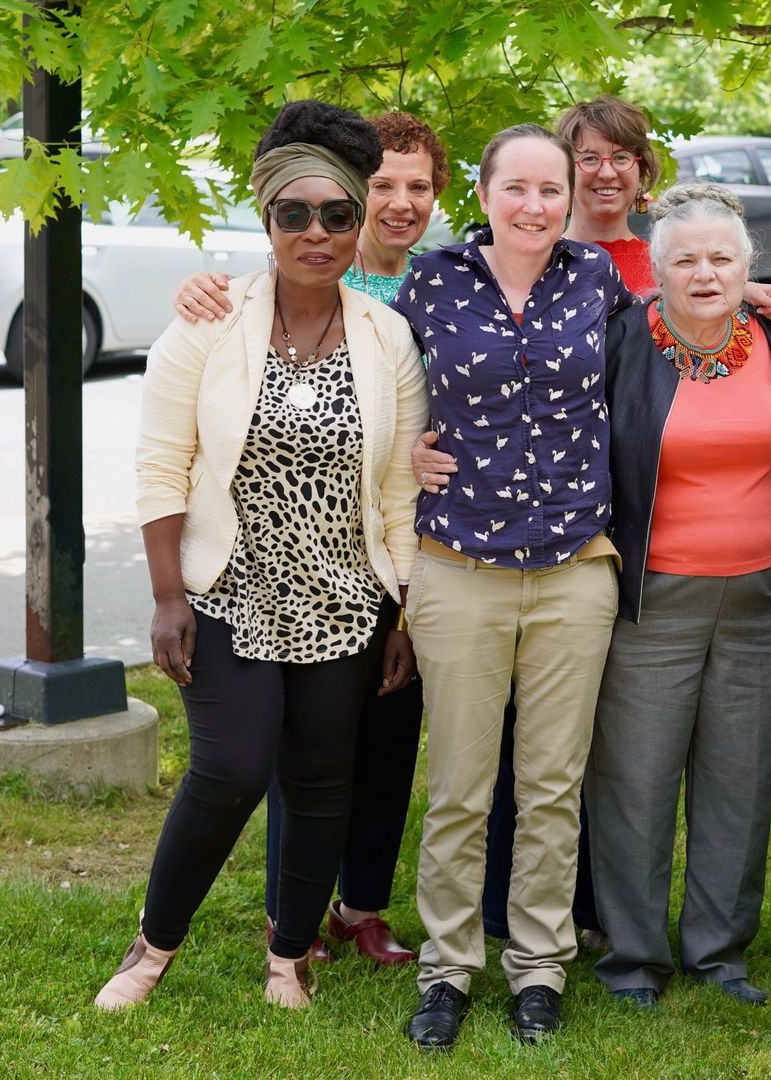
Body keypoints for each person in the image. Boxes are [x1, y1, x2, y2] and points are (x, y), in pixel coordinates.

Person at [97, 100, 427, 1010]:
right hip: (230, 594)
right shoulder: (208, 325)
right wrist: (169, 599)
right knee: (233, 767)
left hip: (345, 598)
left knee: (323, 779)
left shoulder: (386, 335)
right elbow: (162, 466)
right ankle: (152, 949)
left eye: (337, 215)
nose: (316, 234)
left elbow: (398, 488)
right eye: (295, 214)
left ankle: (288, 955)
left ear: (359, 224)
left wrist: (400, 610)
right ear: (267, 218)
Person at [171, 110, 449, 967]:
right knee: (277, 755)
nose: (398, 204)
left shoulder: (445, 287)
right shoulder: (259, 292)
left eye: (418, 187)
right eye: (385, 186)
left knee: (373, 747)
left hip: (376, 567)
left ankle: (351, 908)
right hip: (258, 578)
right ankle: (277, 916)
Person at [395, 123, 633, 1051]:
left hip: (577, 567)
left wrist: (761, 304)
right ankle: (448, 968)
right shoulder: (435, 281)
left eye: (551, 190)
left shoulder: (598, 279)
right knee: (459, 786)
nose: (535, 207)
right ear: (487, 195)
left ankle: (538, 966)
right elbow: (373, 379)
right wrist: (401, 450)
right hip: (461, 569)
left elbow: (677, 341)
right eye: (517, 189)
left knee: (551, 785)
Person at [584, 182, 771, 1009]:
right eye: (686, 259)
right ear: (657, 267)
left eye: (723, 258)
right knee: (635, 779)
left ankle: (719, 950)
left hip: (758, 593)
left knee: (738, 778)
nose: (704, 273)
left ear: (748, 268)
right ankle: (634, 958)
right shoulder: (622, 342)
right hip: (654, 593)